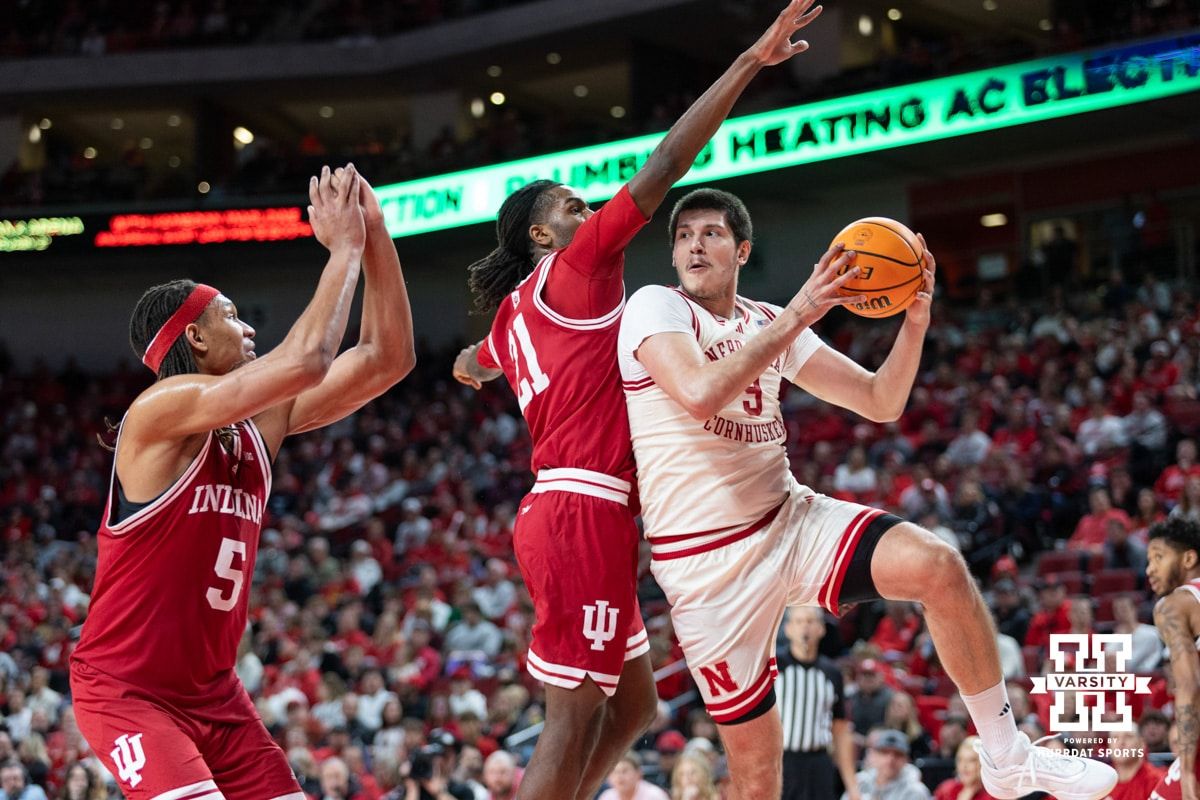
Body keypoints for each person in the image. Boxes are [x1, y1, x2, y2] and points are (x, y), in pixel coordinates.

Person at [615, 186, 1117, 800]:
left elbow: (881, 401)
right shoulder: (655, 307)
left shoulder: (769, 320)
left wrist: (915, 322)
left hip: (788, 519)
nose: (695, 244)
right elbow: (698, 392)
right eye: (684, 235)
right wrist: (802, 309)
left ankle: (1007, 755)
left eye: (711, 233)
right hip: (705, 565)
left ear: (742, 249)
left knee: (939, 566)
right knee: (757, 773)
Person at [450, 3, 825, 799]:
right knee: (573, 716)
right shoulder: (577, 267)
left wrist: (473, 368)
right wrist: (749, 65)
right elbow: (668, 162)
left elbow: (476, 359)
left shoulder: (515, 313)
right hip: (582, 507)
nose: (589, 213)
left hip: (586, 512)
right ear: (545, 238)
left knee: (633, 707)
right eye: (571, 209)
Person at [68, 164, 416, 800]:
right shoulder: (157, 411)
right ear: (195, 336)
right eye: (233, 316)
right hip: (129, 692)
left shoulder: (252, 422)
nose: (250, 327)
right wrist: (341, 249)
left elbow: (385, 358)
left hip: (214, 694)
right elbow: (308, 358)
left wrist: (374, 235)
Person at [776, 607, 857, 800]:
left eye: (810, 621)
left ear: (821, 629)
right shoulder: (774, 666)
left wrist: (853, 787)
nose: (805, 627)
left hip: (818, 763)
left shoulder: (832, 673)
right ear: (788, 629)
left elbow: (840, 730)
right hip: (781, 762)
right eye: (799, 621)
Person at [1145, 517, 1200, 800]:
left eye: (1159, 557)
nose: (1149, 569)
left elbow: (1189, 686)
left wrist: (1188, 772)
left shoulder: (1173, 604)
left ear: (1189, 558)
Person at [842, 730, 930, 800]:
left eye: (897, 754)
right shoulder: (859, 782)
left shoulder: (915, 791)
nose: (890, 759)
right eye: (884, 752)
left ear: (906, 760)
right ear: (873, 755)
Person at [1106, 729, 1163, 800]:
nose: (1121, 743)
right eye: (1115, 738)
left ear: (1142, 744)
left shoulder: (1158, 781)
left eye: (1128, 736)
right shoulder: (1099, 782)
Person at [597, 752, 670, 800]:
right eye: (615, 772)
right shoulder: (606, 797)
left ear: (638, 773)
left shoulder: (655, 795)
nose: (619, 776)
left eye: (625, 771)